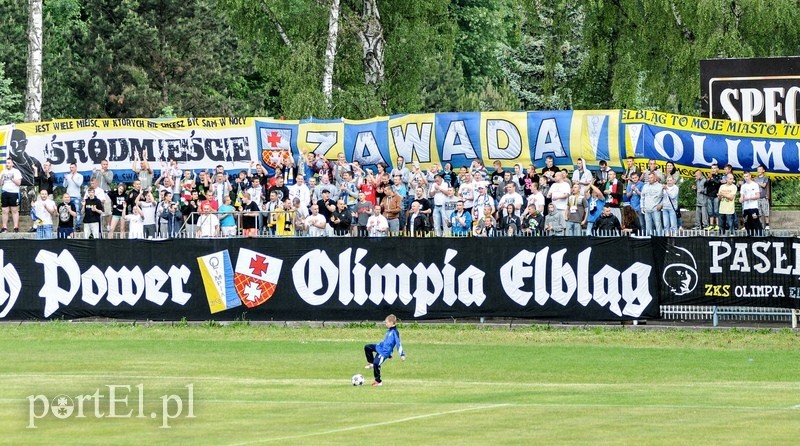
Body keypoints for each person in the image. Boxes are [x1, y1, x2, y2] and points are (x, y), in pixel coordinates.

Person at [363, 314, 406, 387]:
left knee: (377, 364)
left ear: (391, 322)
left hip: (384, 352)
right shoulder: (388, 331)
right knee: (367, 347)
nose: (386, 324)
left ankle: (378, 381)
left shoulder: (395, 332)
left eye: (387, 322)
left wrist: (402, 354)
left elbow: (398, 344)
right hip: (379, 347)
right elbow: (387, 342)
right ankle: (371, 363)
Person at [1, 158, 23, 233]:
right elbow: (0, 184)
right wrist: (2, 178)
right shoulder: (3, 172)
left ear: (12, 164)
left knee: (14, 210)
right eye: (6, 163)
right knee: (4, 210)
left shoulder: (16, 172)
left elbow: (19, 183)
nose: (7, 164)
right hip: (4, 192)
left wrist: (12, 178)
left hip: (14, 192)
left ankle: (16, 227)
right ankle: (4, 227)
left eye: (9, 163)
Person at [740, 171, 762, 236]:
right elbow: (741, 197)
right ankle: (750, 236)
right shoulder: (743, 186)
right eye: (744, 176)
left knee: (756, 222)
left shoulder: (755, 185)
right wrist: (741, 199)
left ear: (750, 176)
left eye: (747, 176)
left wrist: (749, 198)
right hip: (746, 207)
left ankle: (760, 236)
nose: (746, 178)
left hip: (753, 207)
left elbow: (758, 196)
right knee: (747, 223)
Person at [755, 164, 771, 230]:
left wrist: (756, 182)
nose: (759, 171)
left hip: (764, 197)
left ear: (763, 170)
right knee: (759, 213)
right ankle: (761, 225)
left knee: (766, 212)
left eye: (760, 169)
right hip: (757, 197)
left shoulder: (765, 178)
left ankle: (767, 225)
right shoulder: (755, 178)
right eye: (758, 169)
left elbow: (764, 185)